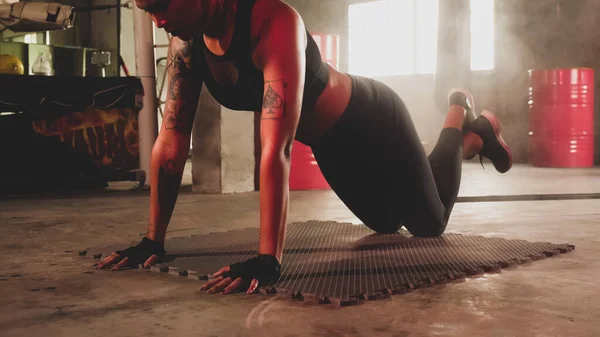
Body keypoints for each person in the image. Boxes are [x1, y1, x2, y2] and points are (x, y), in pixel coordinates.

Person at [96, 0, 512, 295]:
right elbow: (170, 142)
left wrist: (267, 258)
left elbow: (275, 148)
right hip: (331, 145)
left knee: (428, 224)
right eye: (147, 11)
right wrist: (153, 241)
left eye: (161, 5)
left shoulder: (273, 24)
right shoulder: (186, 47)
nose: (158, 20)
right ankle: (475, 138)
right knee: (386, 224)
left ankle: (459, 112)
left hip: (376, 121)